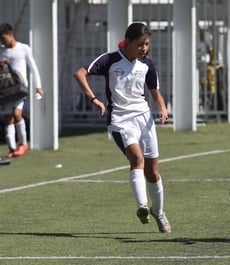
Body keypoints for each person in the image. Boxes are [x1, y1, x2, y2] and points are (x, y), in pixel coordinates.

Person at [74, 22, 171, 233]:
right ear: (128, 42)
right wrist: (94, 99)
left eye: (146, 44)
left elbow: (155, 92)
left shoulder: (148, 64)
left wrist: (162, 108)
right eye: (140, 44)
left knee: (152, 172)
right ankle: (142, 206)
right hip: (120, 120)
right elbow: (80, 73)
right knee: (137, 160)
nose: (144, 48)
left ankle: (159, 212)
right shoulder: (110, 60)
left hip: (144, 119)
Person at [0, 23, 44, 158]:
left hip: (19, 88)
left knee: (17, 113)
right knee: (8, 118)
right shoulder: (1, 51)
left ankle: (23, 143)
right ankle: (12, 148)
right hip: (6, 89)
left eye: (3, 38)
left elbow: (33, 67)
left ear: (10, 34)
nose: (2, 42)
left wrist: (38, 86)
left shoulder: (24, 48)